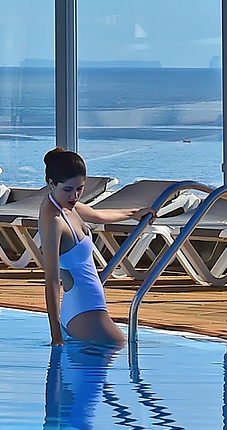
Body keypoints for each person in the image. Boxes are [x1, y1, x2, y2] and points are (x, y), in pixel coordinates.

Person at [38, 148, 155, 347]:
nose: (74, 195)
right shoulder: (54, 220)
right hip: (83, 309)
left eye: (80, 188)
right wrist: (55, 336)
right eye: (68, 189)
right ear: (51, 184)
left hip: (88, 306)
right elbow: (52, 281)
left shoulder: (67, 206)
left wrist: (134, 213)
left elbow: (98, 216)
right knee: (120, 347)